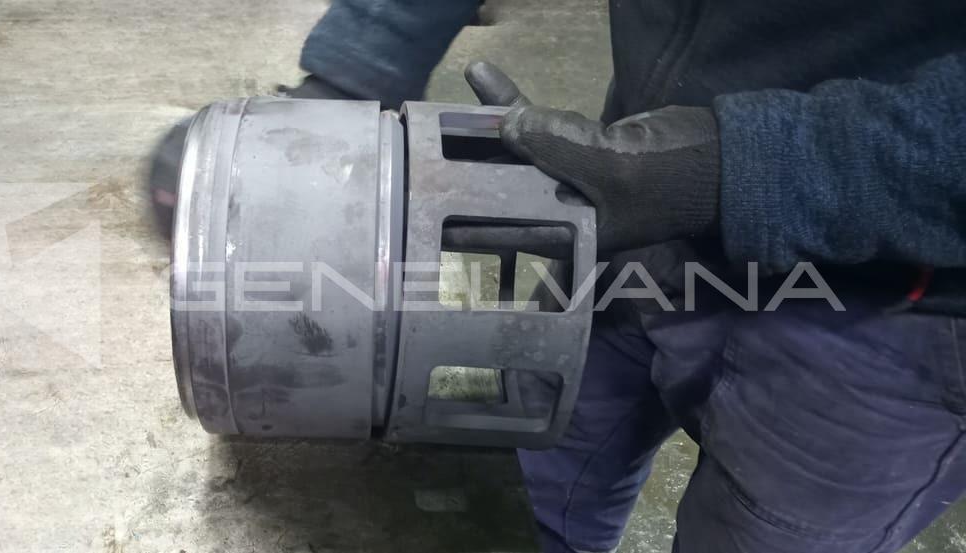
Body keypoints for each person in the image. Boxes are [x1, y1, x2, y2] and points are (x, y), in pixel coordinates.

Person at [150, 1, 966, 551]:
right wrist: (359, 67)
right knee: (520, 501)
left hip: (888, 307)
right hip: (631, 199)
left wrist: (741, 167)